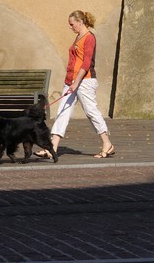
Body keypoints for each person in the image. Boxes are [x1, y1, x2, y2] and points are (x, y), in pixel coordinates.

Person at [49, 10, 115, 159]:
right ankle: (52, 148)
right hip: (71, 81)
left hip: (85, 81)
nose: (70, 27)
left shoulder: (89, 38)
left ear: (80, 22)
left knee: (91, 111)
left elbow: (86, 64)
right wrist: (71, 82)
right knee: (62, 112)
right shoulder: (78, 37)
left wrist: (76, 82)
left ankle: (107, 143)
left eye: (72, 24)